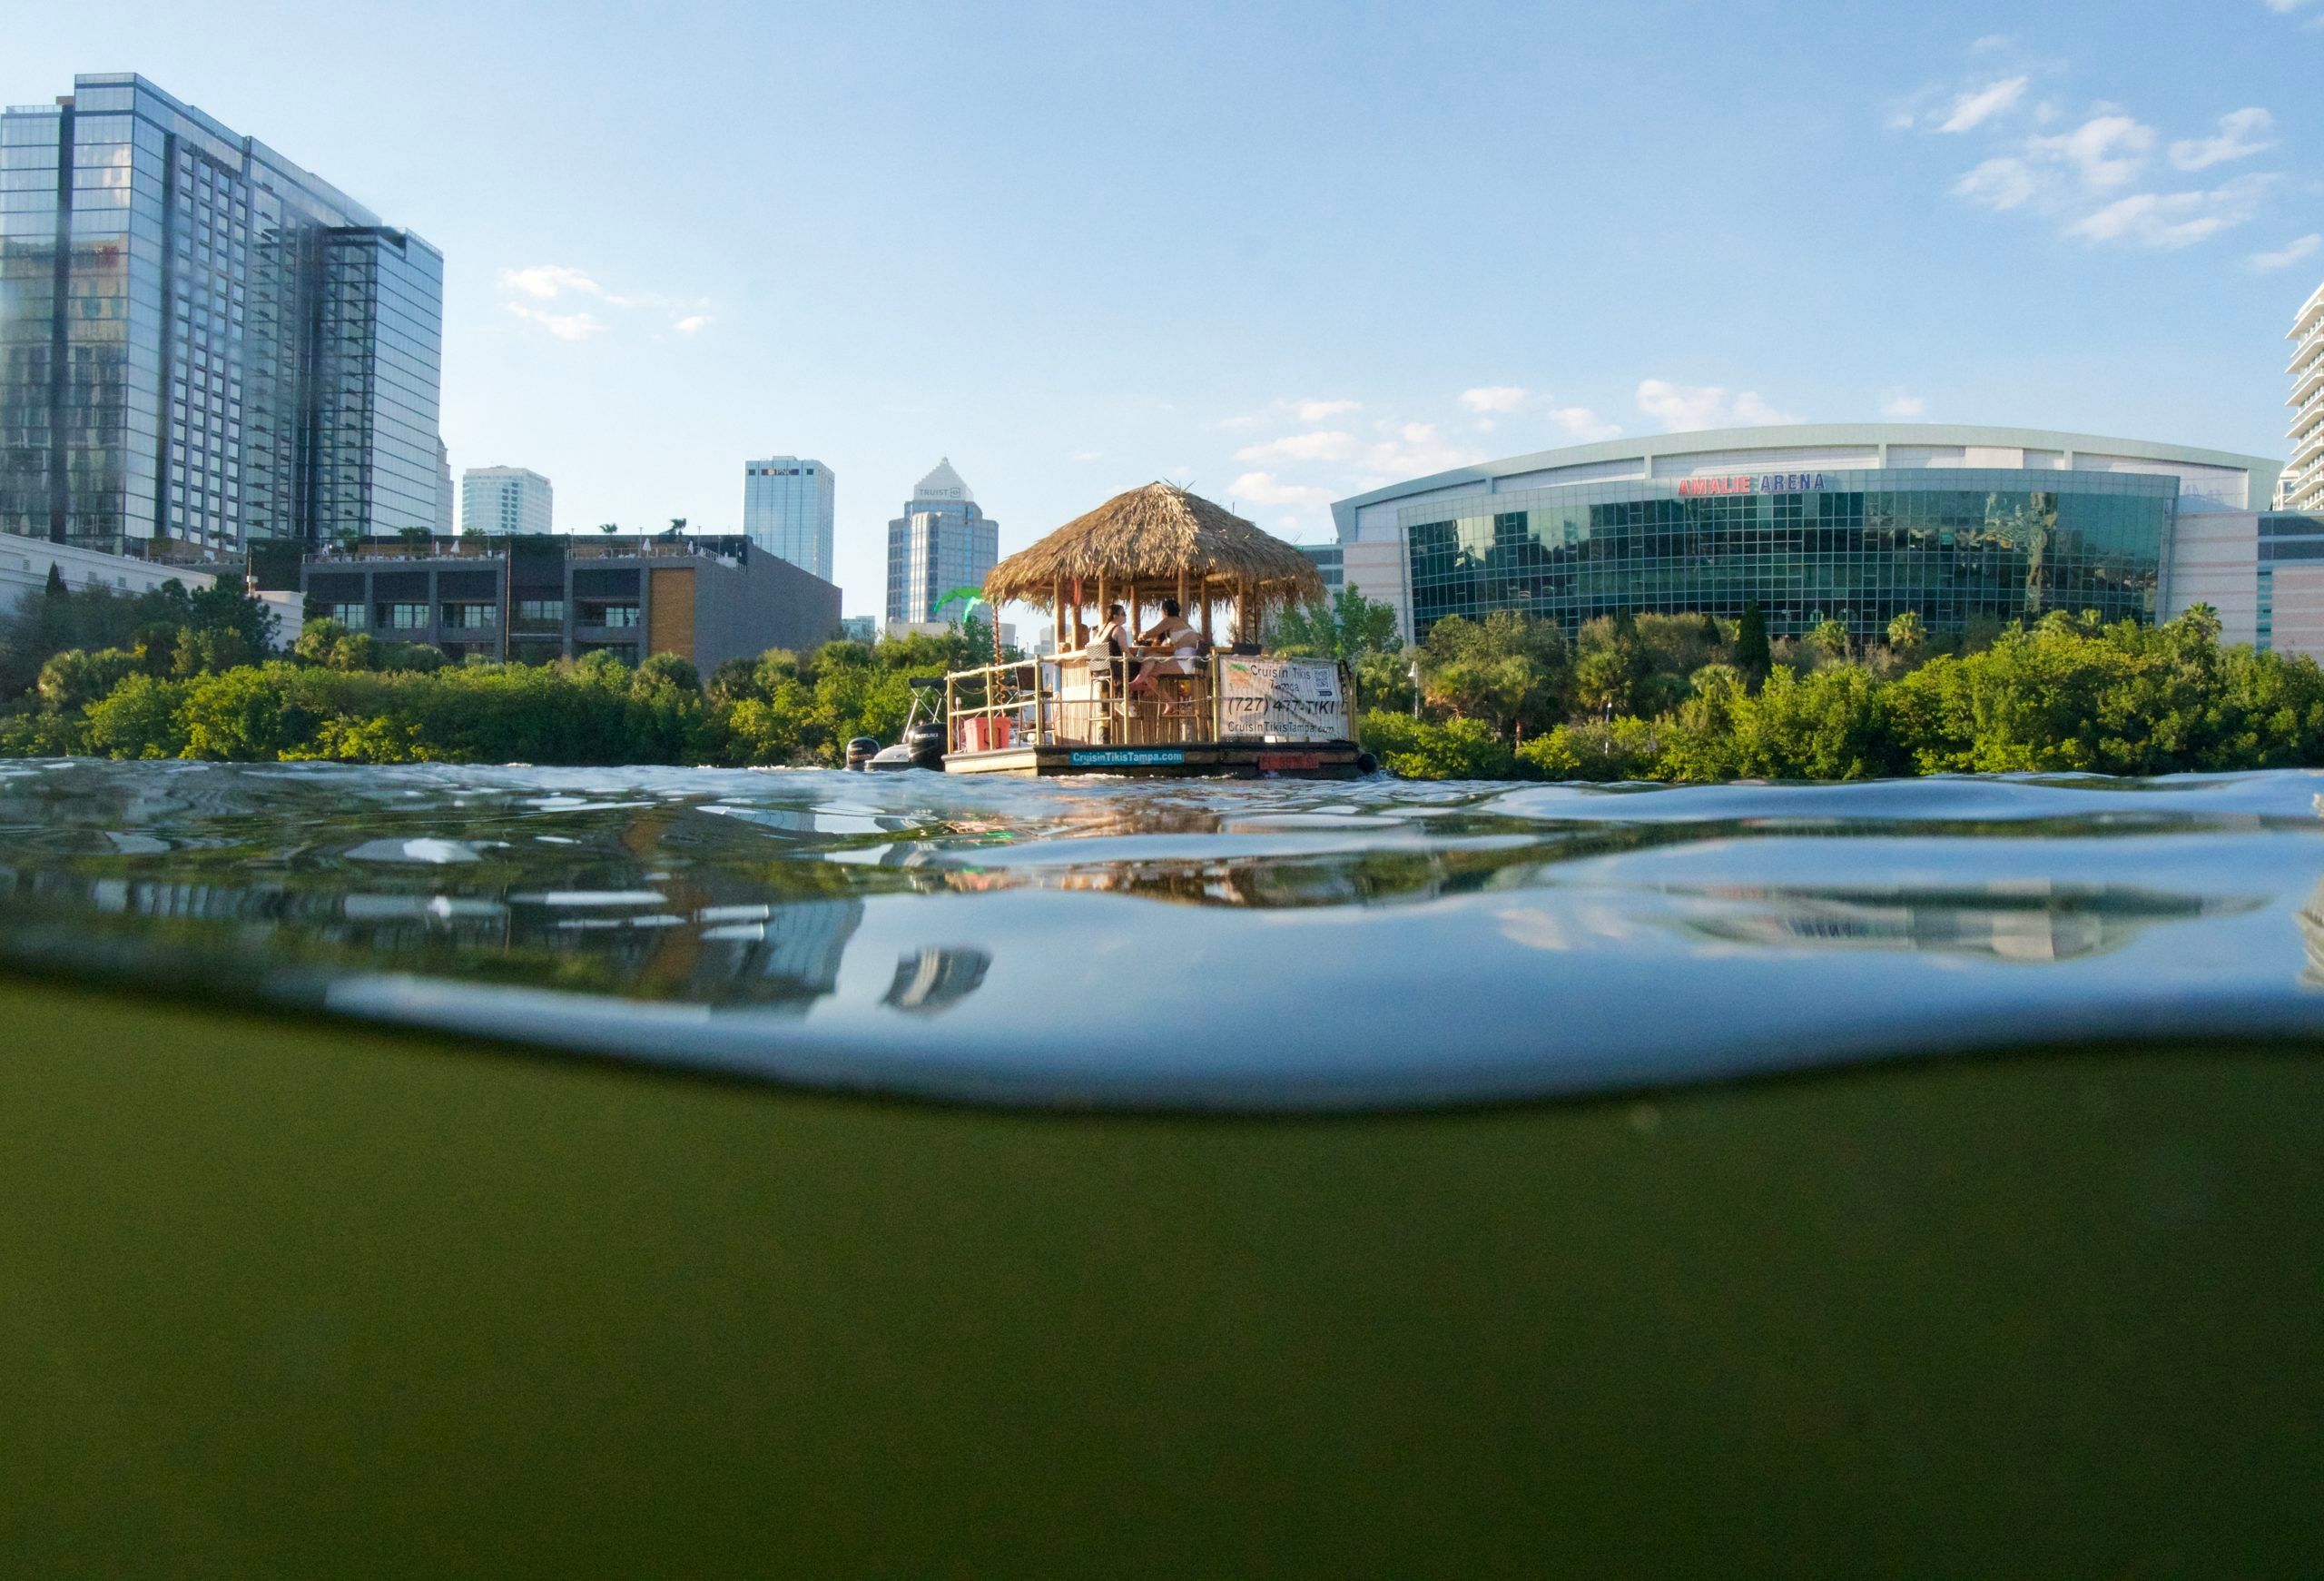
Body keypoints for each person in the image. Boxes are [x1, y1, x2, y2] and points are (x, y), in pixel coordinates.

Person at [1129, 598, 1203, 695]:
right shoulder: (1183, 623)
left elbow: (1152, 632)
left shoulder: (1170, 620)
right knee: (1151, 658)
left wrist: (1140, 635)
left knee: (1147, 669)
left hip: (1184, 660)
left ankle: (1138, 682)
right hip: (1192, 660)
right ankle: (1165, 699)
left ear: (1165, 611)